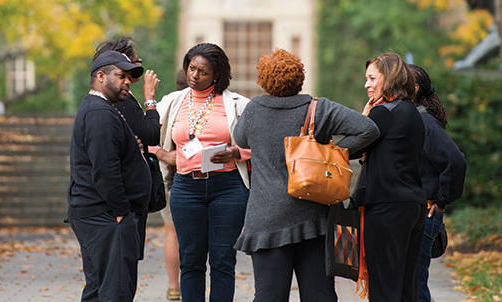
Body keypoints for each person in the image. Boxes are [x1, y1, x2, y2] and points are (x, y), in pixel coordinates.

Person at [233, 49, 380, 302]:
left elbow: (240, 138)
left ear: (263, 79)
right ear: (299, 78)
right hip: (314, 219)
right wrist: (334, 153)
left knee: (268, 297)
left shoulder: (255, 109)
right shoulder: (318, 108)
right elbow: (368, 130)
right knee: (320, 296)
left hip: (267, 221)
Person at [155, 43, 251, 302]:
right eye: (191, 68)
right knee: (191, 261)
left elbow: (259, 145)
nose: (194, 75)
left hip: (228, 188)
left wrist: (235, 152)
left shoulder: (238, 104)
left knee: (222, 261)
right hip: (186, 188)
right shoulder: (173, 102)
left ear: (217, 75)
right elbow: (149, 126)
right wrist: (161, 153)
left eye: (202, 72)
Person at [67, 50, 150, 301]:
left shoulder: (100, 109)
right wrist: (121, 212)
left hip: (98, 213)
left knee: (99, 288)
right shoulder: (100, 113)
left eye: (129, 77)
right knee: (115, 290)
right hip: (105, 215)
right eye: (121, 76)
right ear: (101, 76)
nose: (127, 82)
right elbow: (104, 169)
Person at [352, 52, 427, 302]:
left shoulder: (383, 113)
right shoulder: (412, 112)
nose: (367, 85)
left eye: (372, 78)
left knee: (384, 289)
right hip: (412, 207)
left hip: (386, 208)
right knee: (406, 288)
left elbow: (350, 147)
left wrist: (364, 117)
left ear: (390, 77)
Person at [93, 37, 160, 260]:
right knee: (123, 267)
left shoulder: (113, 97)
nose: (135, 72)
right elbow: (150, 134)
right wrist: (150, 99)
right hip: (126, 194)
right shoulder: (118, 99)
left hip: (126, 193)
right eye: (132, 64)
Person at [409, 65, 467, 302]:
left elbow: (456, 161)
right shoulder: (414, 119)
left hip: (427, 213)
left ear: (413, 89)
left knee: (415, 284)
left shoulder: (425, 123)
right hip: (418, 211)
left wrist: (442, 200)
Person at [153, 69, 188, 301]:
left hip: (168, 177)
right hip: (193, 178)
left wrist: (161, 154)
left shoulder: (167, 104)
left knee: (172, 232)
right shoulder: (209, 105)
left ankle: (174, 287)